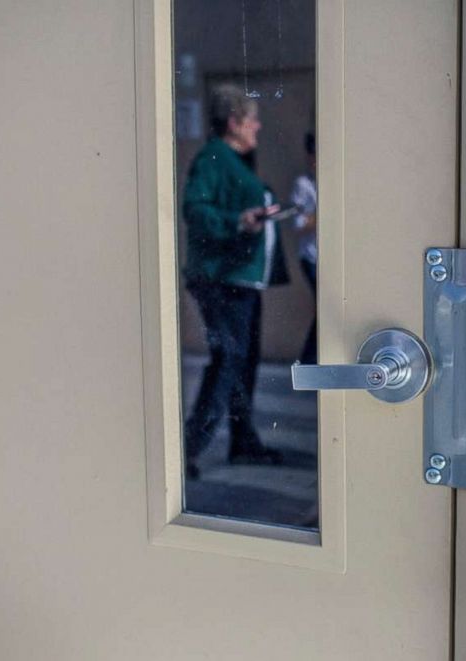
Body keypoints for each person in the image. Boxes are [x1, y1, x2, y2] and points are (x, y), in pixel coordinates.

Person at [181, 85, 288, 477]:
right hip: (221, 279)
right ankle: (187, 449)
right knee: (228, 360)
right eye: (252, 119)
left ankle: (243, 442)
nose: (258, 126)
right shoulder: (214, 157)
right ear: (234, 122)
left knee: (242, 362)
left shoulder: (234, 160)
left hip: (242, 280)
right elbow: (195, 210)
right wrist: (238, 221)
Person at [291, 132, 318, 364]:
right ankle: (308, 361)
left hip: (328, 259)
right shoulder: (304, 185)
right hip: (312, 257)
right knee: (323, 309)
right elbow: (299, 224)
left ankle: (309, 360)